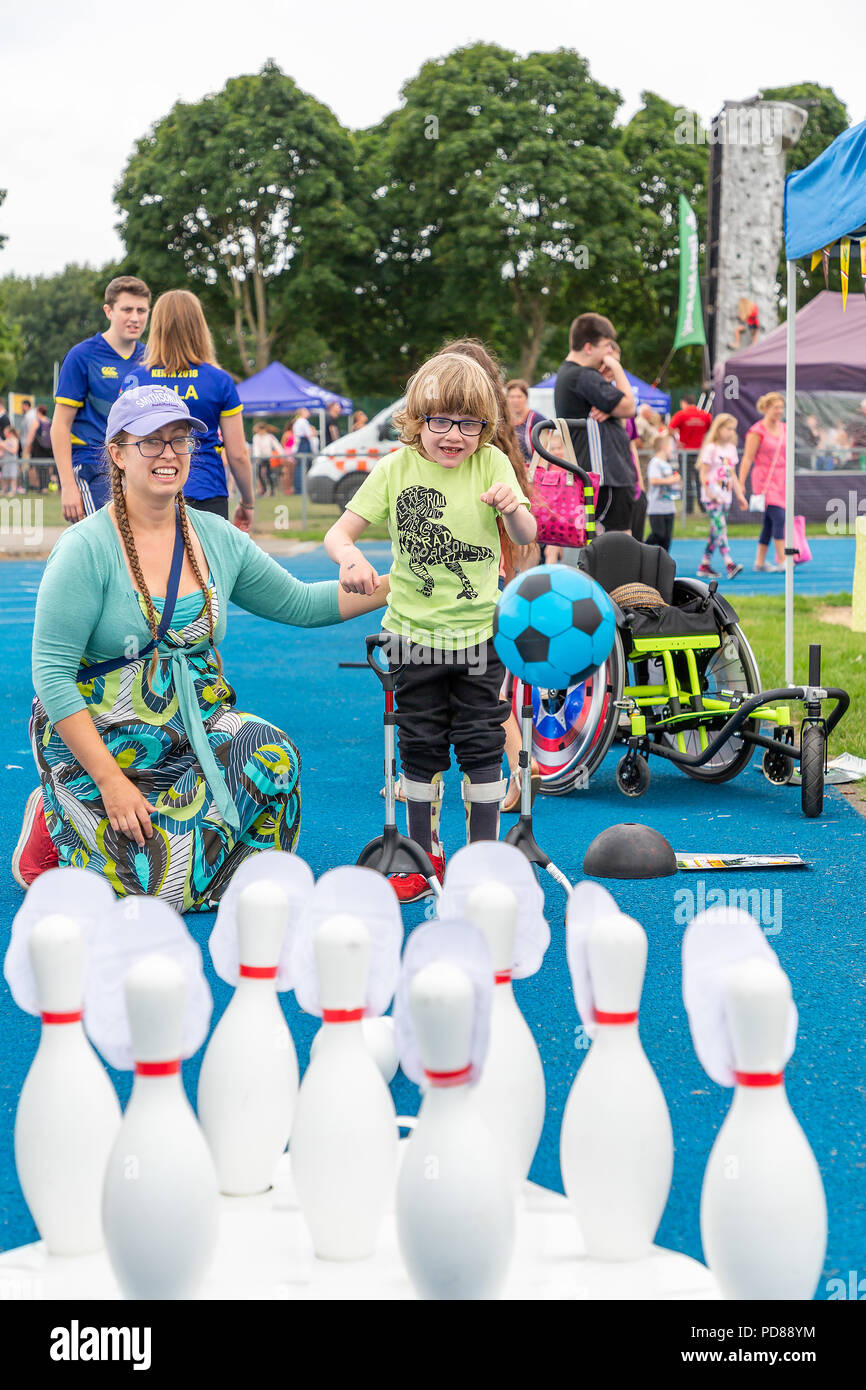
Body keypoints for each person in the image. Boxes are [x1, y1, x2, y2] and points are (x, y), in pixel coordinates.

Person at [12, 385, 389, 904]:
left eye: (180, 441)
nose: (169, 454)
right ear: (117, 454)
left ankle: (162, 842)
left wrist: (407, 583)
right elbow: (51, 675)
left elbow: (302, 603)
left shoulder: (215, 536)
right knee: (149, 895)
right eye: (151, 442)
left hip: (190, 734)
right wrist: (110, 783)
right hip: (104, 747)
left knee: (272, 755)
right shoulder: (84, 549)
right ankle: (54, 812)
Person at [324, 352, 536, 903]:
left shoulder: (491, 464)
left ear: (484, 427)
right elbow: (338, 534)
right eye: (440, 421)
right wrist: (350, 560)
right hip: (412, 638)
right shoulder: (395, 470)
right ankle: (422, 855)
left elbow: (528, 529)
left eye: (468, 424)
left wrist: (512, 507)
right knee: (419, 748)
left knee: (482, 744)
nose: (454, 435)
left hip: (477, 639)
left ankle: (481, 860)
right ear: (416, 420)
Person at [438, 340, 539, 816]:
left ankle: (516, 770)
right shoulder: (496, 440)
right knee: (483, 688)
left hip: (480, 573)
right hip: (497, 568)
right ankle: (518, 767)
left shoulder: (483, 449)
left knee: (473, 690)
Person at [135, 289, 256, 529]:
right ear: (200, 328)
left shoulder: (135, 380)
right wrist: (248, 502)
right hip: (206, 492)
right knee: (206, 567)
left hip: (149, 492)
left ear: (157, 327)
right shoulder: (219, 381)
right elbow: (238, 454)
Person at [52, 275, 151, 521]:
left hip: (137, 465)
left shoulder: (152, 358)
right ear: (108, 310)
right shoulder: (82, 355)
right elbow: (60, 425)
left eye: (142, 310)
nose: (135, 317)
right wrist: (68, 486)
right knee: (107, 540)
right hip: (93, 467)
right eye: (127, 309)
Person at [554, 312, 636, 532]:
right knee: (620, 544)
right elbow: (629, 407)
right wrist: (617, 367)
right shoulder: (583, 376)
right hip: (606, 478)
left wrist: (610, 406)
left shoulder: (572, 374)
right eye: (607, 346)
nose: (610, 352)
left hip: (600, 475)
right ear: (589, 347)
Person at [738, 392, 787, 572]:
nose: (779, 411)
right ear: (766, 408)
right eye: (776, 407)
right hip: (764, 478)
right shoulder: (756, 431)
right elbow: (748, 459)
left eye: (781, 407)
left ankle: (759, 561)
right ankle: (783, 559)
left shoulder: (784, 428)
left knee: (769, 521)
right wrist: (741, 483)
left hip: (782, 477)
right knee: (779, 517)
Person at [697, 414, 747, 579]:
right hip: (712, 498)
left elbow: (732, 474)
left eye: (733, 429)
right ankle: (729, 563)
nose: (731, 432)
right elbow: (703, 473)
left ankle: (704, 564)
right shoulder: (711, 448)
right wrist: (710, 493)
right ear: (718, 429)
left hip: (726, 497)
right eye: (728, 428)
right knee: (721, 528)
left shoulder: (731, 449)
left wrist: (740, 495)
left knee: (715, 531)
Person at [645, 432, 681, 553]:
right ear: (664, 447)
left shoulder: (667, 465)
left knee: (666, 539)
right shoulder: (655, 462)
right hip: (656, 508)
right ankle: (642, 548)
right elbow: (654, 480)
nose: (673, 449)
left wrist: (677, 484)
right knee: (658, 534)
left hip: (668, 507)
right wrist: (672, 480)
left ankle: (662, 564)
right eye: (671, 446)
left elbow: (670, 484)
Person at [505, 378, 544, 464]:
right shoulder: (502, 420)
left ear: (526, 398)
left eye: (519, 396)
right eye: (512, 397)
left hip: (532, 469)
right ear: (506, 398)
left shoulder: (537, 420)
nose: (515, 400)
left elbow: (545, 451)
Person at [26, 406, 55, 492]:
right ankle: (45, 487)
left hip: (38, 447)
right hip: (48, 448)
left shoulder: (36, 421)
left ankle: (40, 487)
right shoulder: (50, 421)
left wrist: (28, 446)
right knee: (46, 467)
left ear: (38, 412)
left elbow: (31, 435)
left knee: (38, 466)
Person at [251, 422, 284, 498]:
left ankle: (272, 491)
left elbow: (277, 445)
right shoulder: (256, 437)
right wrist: (257, 456)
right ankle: (264, 490)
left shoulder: (269, 437)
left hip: (268, 458)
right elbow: (256, 448)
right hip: (260, 458)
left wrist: (282, 454)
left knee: (269, 474)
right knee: (259, 474)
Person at [292, 407, 317, 495]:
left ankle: (299, 489)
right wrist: (314, 433)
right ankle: (301, 489)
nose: (308, 412)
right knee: (302, 467)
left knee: (300, 467)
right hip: (303, 444)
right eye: (306, 411)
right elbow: (310, 434)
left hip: (300, 444)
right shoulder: (303, 421)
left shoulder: (297, 422)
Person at [1, 425, 20, 496]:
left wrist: (5, 446)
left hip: (12, 462)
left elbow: (14, 451)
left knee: (13, 477)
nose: (4, 434)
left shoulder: (15, 440)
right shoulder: (6, 440)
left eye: (6, 432)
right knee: (5, 477)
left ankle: (13, 491)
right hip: (5, 462)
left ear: (10, 433)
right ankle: (4, 491)